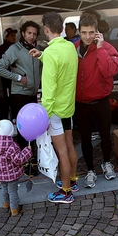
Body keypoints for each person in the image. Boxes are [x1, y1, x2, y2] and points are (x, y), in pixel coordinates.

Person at [29, 11, 79, 204]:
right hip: (68, 107)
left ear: (46, 29)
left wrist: (45, 116)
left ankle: (66, 192)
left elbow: (48, 91)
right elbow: (62, 65)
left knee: (62, 152)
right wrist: (42, 55)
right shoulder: (69, 47)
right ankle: (72, 181)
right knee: (69, 146)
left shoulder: (51, 53)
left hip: (55, 111)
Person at [73, 10, 118, 188]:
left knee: (105, 135)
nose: (87, 36)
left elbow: (110, 71)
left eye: (91, 32)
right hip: (81, 102)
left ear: (97, 31)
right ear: (79, 32)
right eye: (84, 32)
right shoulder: (74, 48)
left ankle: (107, 163)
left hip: (101, 100)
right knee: (85, 138)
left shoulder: (106, 48)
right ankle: (90, 170)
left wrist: (100, 49)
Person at [0, 21, 42, 151]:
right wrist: (19, 78)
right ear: (23, 33)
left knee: (33, 128)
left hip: (32, 95)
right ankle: (24, 161)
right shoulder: (15, 49)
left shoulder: (37, 49)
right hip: (19, 95)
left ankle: (31, 159)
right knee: (23, 131)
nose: (31, 36)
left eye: (34, 34)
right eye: (29, 33)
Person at [0, 119, 32, 216]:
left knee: (4, 188)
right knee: (12, 191)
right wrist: (27, 151)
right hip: (11, 174)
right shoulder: (12, 146)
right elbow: (18, 160)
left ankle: (5, 203)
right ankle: (14, 209)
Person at [0, 28, 18, 120]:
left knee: (15, 97)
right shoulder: (2, 47)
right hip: (7, 77)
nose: (14, 37)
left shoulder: (17, 46)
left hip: (17, 76)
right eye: (12, 36)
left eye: (15, 35)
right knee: (7, 97)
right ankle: (8, 117)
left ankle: (14, 116)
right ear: (6, 37)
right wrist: (1, 67)